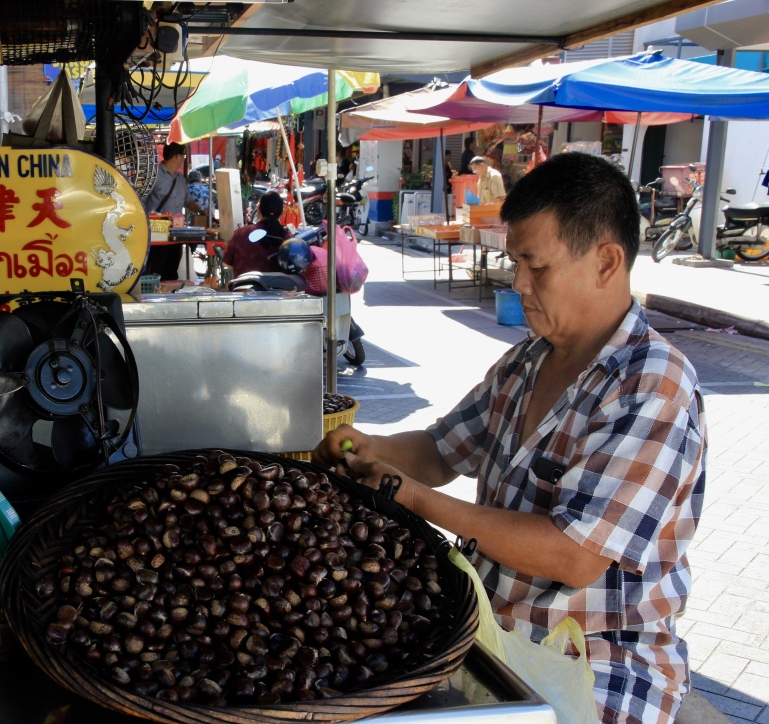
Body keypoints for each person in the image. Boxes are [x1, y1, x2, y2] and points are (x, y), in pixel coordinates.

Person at [314, 152, 705, 724]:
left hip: (598, 663)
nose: (516, 281)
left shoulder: (654, 386)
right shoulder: (525, 362)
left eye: (535, 265)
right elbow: (442, 450)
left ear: (606, 261)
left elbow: (573, 556)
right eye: (513, 261)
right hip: (491, 633)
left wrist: (414, 497)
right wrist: (371, 449)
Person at [143, 142, 202, 280]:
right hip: (156, 235)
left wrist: (203, 212)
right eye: (183, 156)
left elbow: (188, 201)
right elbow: (141, 200)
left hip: (176, 234)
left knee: (172, 270)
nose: (183, 159)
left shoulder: (181, 180)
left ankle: (170, 297)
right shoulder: (154, 176)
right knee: (156, 271)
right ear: (177, 156)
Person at [223, 191, 291, 277]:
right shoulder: (288, 239)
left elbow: (227, 264)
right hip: (278, 289)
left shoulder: (241, 233)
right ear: (282, 212)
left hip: (242, 288)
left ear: (258, 210)